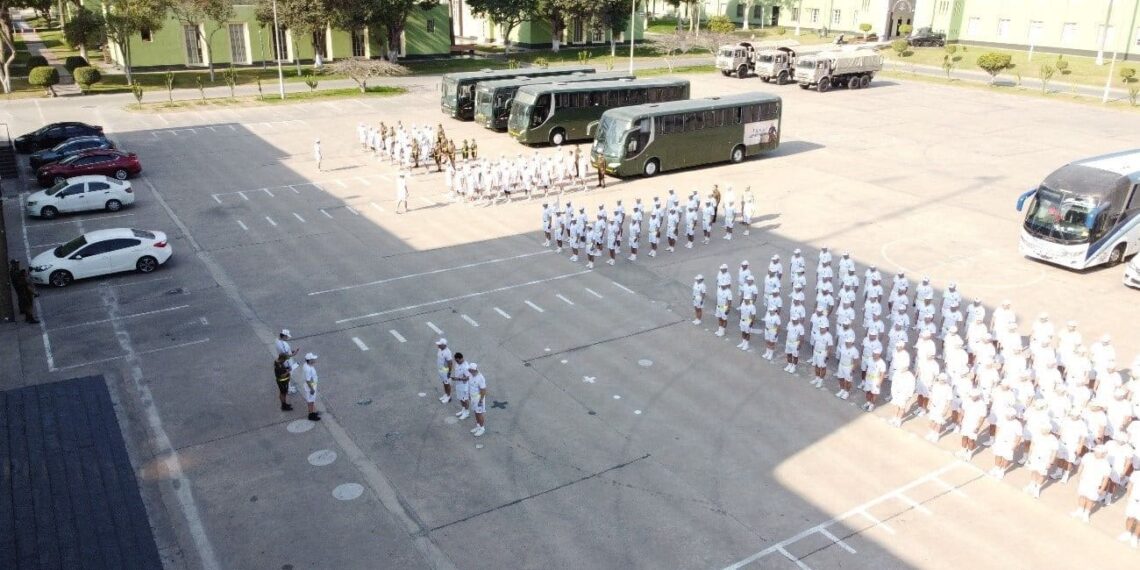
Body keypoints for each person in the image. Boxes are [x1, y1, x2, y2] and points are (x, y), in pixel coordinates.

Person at [1072, 446, 1113, 522]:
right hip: (1084, 480)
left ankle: (1086, 514)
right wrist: (1078, 475)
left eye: (1098, 452)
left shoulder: (1106, 464)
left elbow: (1106, 478)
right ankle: (1079, 511)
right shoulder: (1087, 456)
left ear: (1103, 454)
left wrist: (1102, 489)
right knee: (1082, 495)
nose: (1096, 453)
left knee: (1091, 499)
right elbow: (1082, 465)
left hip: (1095, 484)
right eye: (1095, 451)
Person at [468, 362, 488, 437]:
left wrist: (481, 400)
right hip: (473, 397)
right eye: (469, 370)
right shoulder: (470, 375)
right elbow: (471, 386)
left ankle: (482, 428)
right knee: (475, 412)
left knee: (479, 414)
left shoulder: (480, 378)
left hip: (478, 398)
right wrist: (469, 395)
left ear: (475, 370)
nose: (470, 372)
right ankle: (478, 426)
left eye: (471, 370)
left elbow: (483, 390)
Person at [302, 353, 321, 421]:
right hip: (310, 386)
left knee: (312, 400)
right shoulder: (308, 369)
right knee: (310, 401)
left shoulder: (307, 365)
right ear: (310, 360)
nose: (315, 359)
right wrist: (312, 389)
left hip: (312, 385)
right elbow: (308, 380)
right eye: (313, 359)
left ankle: (313, 411)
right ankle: (311, 415)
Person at [435, 338, 454, 404]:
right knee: (444, 383)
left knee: (447, 384)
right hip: (440, 370)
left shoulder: (447, 352)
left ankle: (448, 396)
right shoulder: (440, 349)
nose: (438, 345)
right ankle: (446, 394)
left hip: (445, 371)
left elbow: (450, 363)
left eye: (440, 344)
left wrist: (449, 372)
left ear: (444, 345)